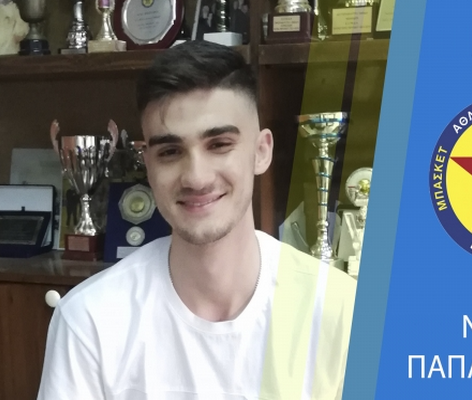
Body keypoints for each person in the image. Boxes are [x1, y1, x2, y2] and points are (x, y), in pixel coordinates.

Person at [37, 40, 357, 399]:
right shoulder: (90, 320)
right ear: (148, 165)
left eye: (219, 145)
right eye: (170, 151)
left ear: (261, 151)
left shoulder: (342, 310)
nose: (196, 177)